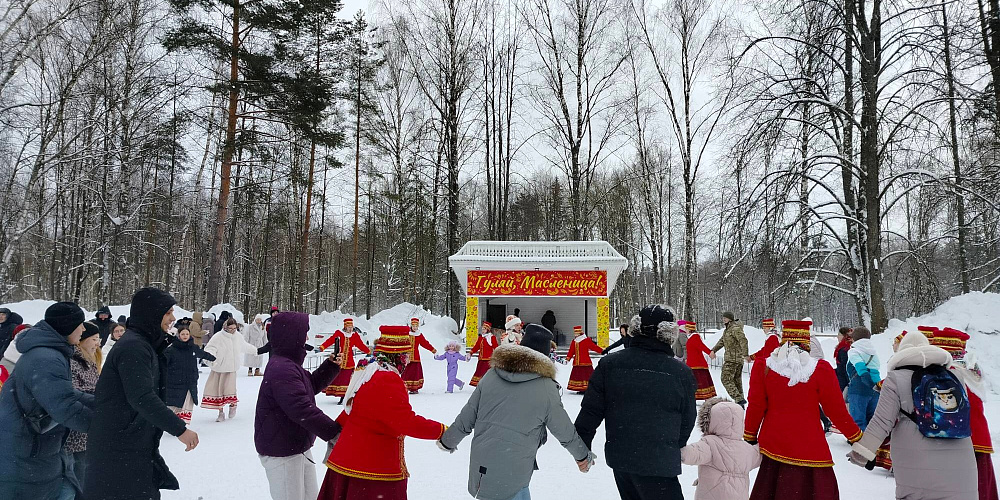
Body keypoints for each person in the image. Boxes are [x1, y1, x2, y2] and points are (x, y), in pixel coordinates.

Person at [439, 324, 595, 500]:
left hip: (482, 464)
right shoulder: (546, 388)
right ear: (545, 355)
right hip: (515, 467)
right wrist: (582, 456)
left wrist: (448, 441)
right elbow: (564, 430)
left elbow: (467, 416)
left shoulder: (491, 375)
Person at [84, 288, 199, 500]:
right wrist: (179, 429)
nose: (173, 318)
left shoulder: (144, 344)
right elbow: (141, 396)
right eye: (167, 313)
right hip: (119, 447)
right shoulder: (133, 347)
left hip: (131, 442)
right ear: (151, 314)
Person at [575, 304, 696, 500]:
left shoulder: (610, 364)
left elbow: (591, 411)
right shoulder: (680, 373)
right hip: (660, 461)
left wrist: (581, 448)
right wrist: (672, 445)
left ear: (636, 328)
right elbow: (688, 419)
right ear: (669, 333)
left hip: (622, 458)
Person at [318, 325, 446, 500]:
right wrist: (441, 430)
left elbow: (352, 410)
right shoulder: (387, 378)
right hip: (372, 467)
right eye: (406, 355)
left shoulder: (370, 369)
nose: (408, 360)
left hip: (351, 459)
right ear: (398, 355)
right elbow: (405, 421)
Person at [848, 331, 977, 500]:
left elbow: (881, 422)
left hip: (918, 461)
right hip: (963, 463)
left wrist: (861, 454)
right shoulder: (956, 377)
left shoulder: (895, 378)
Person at [743, 321, 861, 500]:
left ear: (784, 339)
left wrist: (750, 437)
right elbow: (836, 411)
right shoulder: (820, 369)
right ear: (807, 342)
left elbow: (756, 405)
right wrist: (857, 438)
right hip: (810, 448)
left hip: (773, 446)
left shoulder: (764, 366)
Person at [0, 302, 93, 498]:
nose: (84, 329)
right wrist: (108, 424)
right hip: (25, 454)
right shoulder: (46, 358)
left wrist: (99, 402)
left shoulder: (49, 352)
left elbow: (62, 393)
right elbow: (65, 407)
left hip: (35, 450)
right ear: (67, 326)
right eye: (81, 324)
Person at [255, 312, 344, 500]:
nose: (307, 338)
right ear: (292, 336)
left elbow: (308, 386)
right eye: (304, 333)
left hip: (295, 446)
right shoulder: (282, 368)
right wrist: (334, 432)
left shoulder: (289, 364)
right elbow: (300, 408)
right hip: (283, 452)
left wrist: (330, 366)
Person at [932, 328, 998, 500]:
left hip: (963, 438)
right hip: (976, 436)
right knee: (979, 485)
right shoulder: (967, 369)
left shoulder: (951, 373)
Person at [681, 397, 761, 500]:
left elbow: (693, 453)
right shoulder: (748, 449)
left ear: (711, 421)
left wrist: (677, 452)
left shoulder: (710, 443)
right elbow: (760, 457)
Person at [66, 321, 102, 494]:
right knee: (78, 472)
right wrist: (101, 394)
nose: (98, 343)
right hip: (76, 428)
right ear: (82, 340)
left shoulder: (91, 360)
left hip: (89, 426)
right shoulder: (73, 361)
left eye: (99, 339)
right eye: (94, 339)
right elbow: (72, 391)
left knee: (87, 471)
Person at [203, 317, 261, 421]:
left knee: (230, 390)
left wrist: (256, 351)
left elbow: (244, 346)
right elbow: (210, 348)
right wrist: (211, 357)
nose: (233, 331)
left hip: (231, 368)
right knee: (218, 391)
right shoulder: (218, 337)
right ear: (225, 327)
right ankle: (220, 412)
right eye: (231, 328)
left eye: (235, 328)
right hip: (219, 368)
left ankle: (233, 405)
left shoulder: (237, 336)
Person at [164, 326, 216, 424]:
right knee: (175, 403)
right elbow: (163, 361)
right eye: (183, 334)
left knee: (187, 401)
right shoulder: (172, 349)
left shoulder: (193, 347)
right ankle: (173, 422)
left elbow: (203, 354)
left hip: (190, 380)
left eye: (187, 334)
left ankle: (182, 422)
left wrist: (214, 358)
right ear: (179, 335)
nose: (185, 336)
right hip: (175, 380)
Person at [318, 318, 371, 403]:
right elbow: (330, 340)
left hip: (349, 362)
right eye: (349, 327)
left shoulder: (354, 335)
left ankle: (344, 396)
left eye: (351, 327)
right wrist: (322, 347)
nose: (350, 329)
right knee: (338, 378)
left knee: (347, 379)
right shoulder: (339, 334)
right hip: (339, 359)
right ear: (345, 327)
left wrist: (369, 351)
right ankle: (339, 394)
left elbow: (360, 345)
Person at [710, 311, 749, 406]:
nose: (723, 319)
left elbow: (743, 340)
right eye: (723, 318)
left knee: (725, 379)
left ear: (730, 319)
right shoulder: (727, 330)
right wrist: (713, 350)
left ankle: (739, 399)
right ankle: (740, 405)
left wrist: (746, 354)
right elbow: (721, 341)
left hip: (733, 359)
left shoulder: (735, 329)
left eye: (725, 318)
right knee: (736, 382)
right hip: (734, 359)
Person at [846, 326, 880, 430]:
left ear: (855, 338)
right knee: (872, 419)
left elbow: (860, 366)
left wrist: (865, 377)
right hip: (875, 388)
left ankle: (861, 443)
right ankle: (873, 442)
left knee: (858, 419)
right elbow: (875, 370)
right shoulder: (873, 352)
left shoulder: (854, 351)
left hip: (859, 387)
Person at [402, 317, 438, 394]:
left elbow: (425, 343)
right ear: (411, 325)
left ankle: (414, 388)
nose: (415, 327)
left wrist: (433, 350)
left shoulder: (419, 335)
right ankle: (405, 387)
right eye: (413, 326)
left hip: (415, 357)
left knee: (415, 373)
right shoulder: (406, 334)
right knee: (406, 373)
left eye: (416, 326)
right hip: (406, 357)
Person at [566, 325, 603, 393]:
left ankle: (588, 388)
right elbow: (571, 351)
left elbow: (593, 347)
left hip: (585, 362)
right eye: (575, 333)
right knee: (579, 376)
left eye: (576, 333)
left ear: (579, 333)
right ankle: (581, 388)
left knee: (586, 376)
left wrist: (602, 351)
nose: (575, 335)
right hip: (577, 363)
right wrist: (568, 358)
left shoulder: (586, 340)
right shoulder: (574, 341)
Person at [685, 325, 717, 401]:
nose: (685, 330)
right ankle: (699, 396)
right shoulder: (691, 337)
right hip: (693, 363)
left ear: (689, 329)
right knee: (698, 381)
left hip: (697, 364)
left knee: (700, 381)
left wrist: (710, 352)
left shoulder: (695, 337)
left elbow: (701, 346)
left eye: (686, 328)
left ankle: (705, 397)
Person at [469, 321, 498, 386]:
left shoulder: (492, 337)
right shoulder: (481, 337)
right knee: (479, 371)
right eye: (482, 329)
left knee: (487, 372)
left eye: (484, 329)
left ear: (488, 330)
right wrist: (471, 352)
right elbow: (476, 346)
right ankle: (479, 384)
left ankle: (488, 384)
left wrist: (497, 355)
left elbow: (496, 346)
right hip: (481, 359)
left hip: (488, 359)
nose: (482, 330)